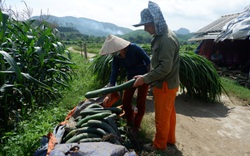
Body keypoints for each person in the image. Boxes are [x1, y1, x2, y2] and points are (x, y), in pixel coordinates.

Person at [132, 1, 180, 152]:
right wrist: (145, 75)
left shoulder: (166, 39)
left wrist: (145, 79)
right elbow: (159, 65)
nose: (145, 29)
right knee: (169, 114)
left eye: (146, 25)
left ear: (155, 22)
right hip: (168, 84)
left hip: (165, 85)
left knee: (161, 117)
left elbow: (165, 68)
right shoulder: (160, 36)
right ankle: (169, 140)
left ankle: (159, 146)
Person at [99, 34, 150, 133]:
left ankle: (136, 127)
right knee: (126, 101)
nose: (115, 53)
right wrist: (110, 91)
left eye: (115, 51)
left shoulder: (134, 48)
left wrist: (149, 77)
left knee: (140, 102)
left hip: (143, 77)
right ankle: (130, 121)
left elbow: (147, 60)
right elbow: (114, 74)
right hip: (130, 78)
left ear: (121, 47)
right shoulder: (116, 58)